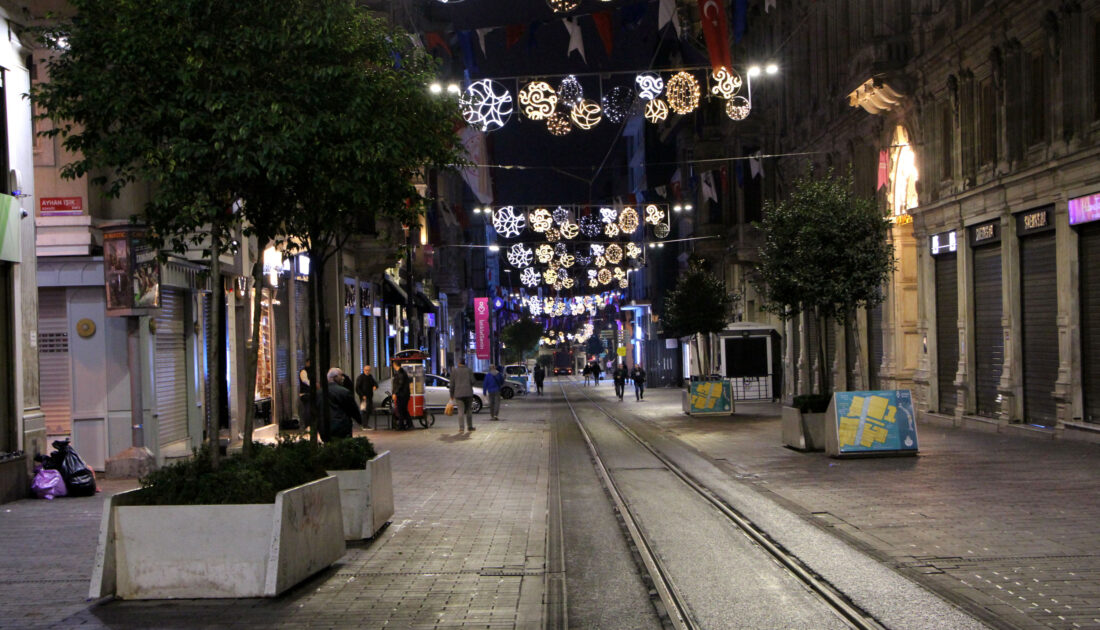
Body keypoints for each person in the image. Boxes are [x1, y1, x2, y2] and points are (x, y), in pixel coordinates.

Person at [324, 368, 362, 440]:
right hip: (341, 426)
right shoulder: (344, 392)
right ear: (335, 377)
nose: (343, 378)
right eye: (341, 375)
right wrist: (359, 420)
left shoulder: (320, 393)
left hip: (325, 427)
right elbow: (352, 408)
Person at [448, 358, 476, 432]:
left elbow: (452, 385)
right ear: (464, 363)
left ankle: (461, 428)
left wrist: (451, 395)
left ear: (458, 363)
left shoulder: (454, 371)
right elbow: (473, 381)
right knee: (469, 411)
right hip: (468, 393)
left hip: (458, 394)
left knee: (460, 411)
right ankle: (470, 427)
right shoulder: (469, 370)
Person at [391, 365, 412, 430]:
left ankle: (402, 426)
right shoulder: (401, 373)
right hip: (404, 394)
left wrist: (395, 393)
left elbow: (400, 384)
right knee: (403, 410)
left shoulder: (400, 373)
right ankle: (408, 424)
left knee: (401, 410)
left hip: (402, 395)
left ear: (395, 365)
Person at [298, 357, 314, 429]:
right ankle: (308, 425)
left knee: (309, 408)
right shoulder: (303, 371)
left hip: (309, 393)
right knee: (307, 408)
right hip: (305, 393)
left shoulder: (310, 371)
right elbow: (305, 381)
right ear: (307, 363)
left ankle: (310, 424)